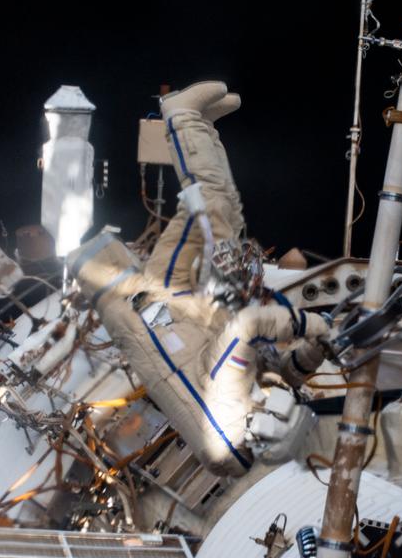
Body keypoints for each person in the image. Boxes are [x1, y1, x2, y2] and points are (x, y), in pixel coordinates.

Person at [69, 81, 330, 476]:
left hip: (151, 306)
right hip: (175, 311)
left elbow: (245, 329)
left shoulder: (227, 415)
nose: (274, 397)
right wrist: (314, 352)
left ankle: (182, 116)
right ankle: (204, 129)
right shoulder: (238, 438)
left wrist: (306, 323)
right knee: (224, 211)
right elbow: (279, 373)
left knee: (211, 205)